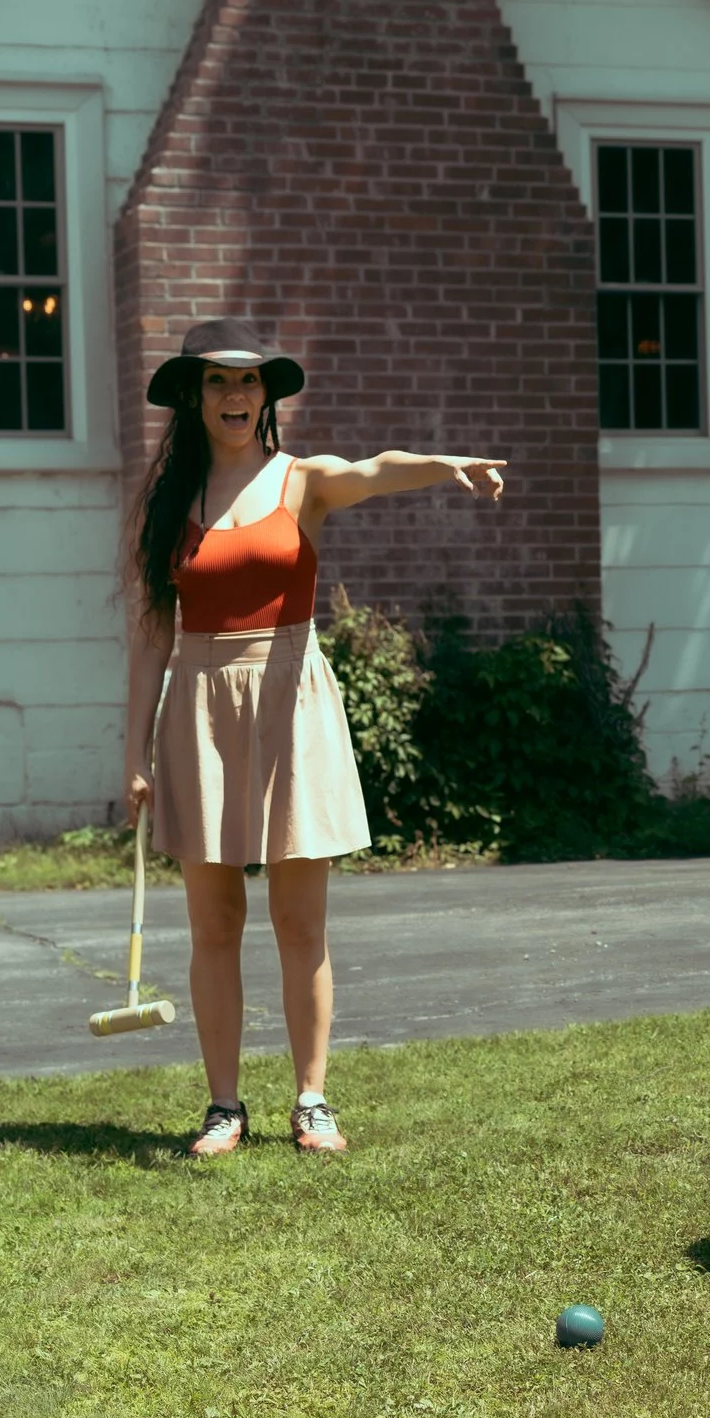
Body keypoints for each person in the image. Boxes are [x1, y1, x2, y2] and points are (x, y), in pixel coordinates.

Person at [121, 318, 506, 1158]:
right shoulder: (169, 505)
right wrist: (134, 753)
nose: (235, 395)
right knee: (214, 921)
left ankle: (312, 1098)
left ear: (268, 395)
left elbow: (373, 470)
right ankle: (224, 1106)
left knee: (301, 920)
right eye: (218, 381)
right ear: (193, 396)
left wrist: (446, 466)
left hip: (290, 696)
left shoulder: (301, 481)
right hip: (198, 706)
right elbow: (152, 635)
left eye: (250, 380)